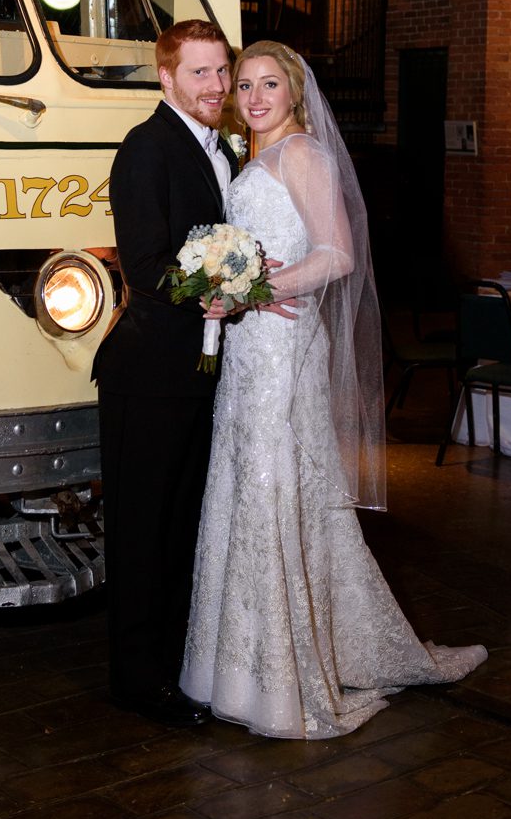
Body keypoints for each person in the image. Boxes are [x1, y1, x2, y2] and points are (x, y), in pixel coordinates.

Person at [180, 40, 487, 740]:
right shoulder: (253, 155)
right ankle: (239, 667)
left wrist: (255, 286)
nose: (255, 98)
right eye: (246, 86)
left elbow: (337, 253)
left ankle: (283, 678)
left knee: (273, 489)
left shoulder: (304, 156)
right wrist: (230, 292)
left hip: (284, 351)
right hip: (249, 350)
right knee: (247, 489)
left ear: (294, 91)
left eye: (269, 85)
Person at [93, 18, 237, 728]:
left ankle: (175, 666)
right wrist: (215, 291)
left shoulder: (223, 150)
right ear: (167, 77)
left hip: (197, 372)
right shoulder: (145, 149)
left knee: (182, 525)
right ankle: (136, 680)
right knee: (142, 530)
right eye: (201, 73)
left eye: (221, 72)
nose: (215, 86)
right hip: (146, 373)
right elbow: (146, 266)